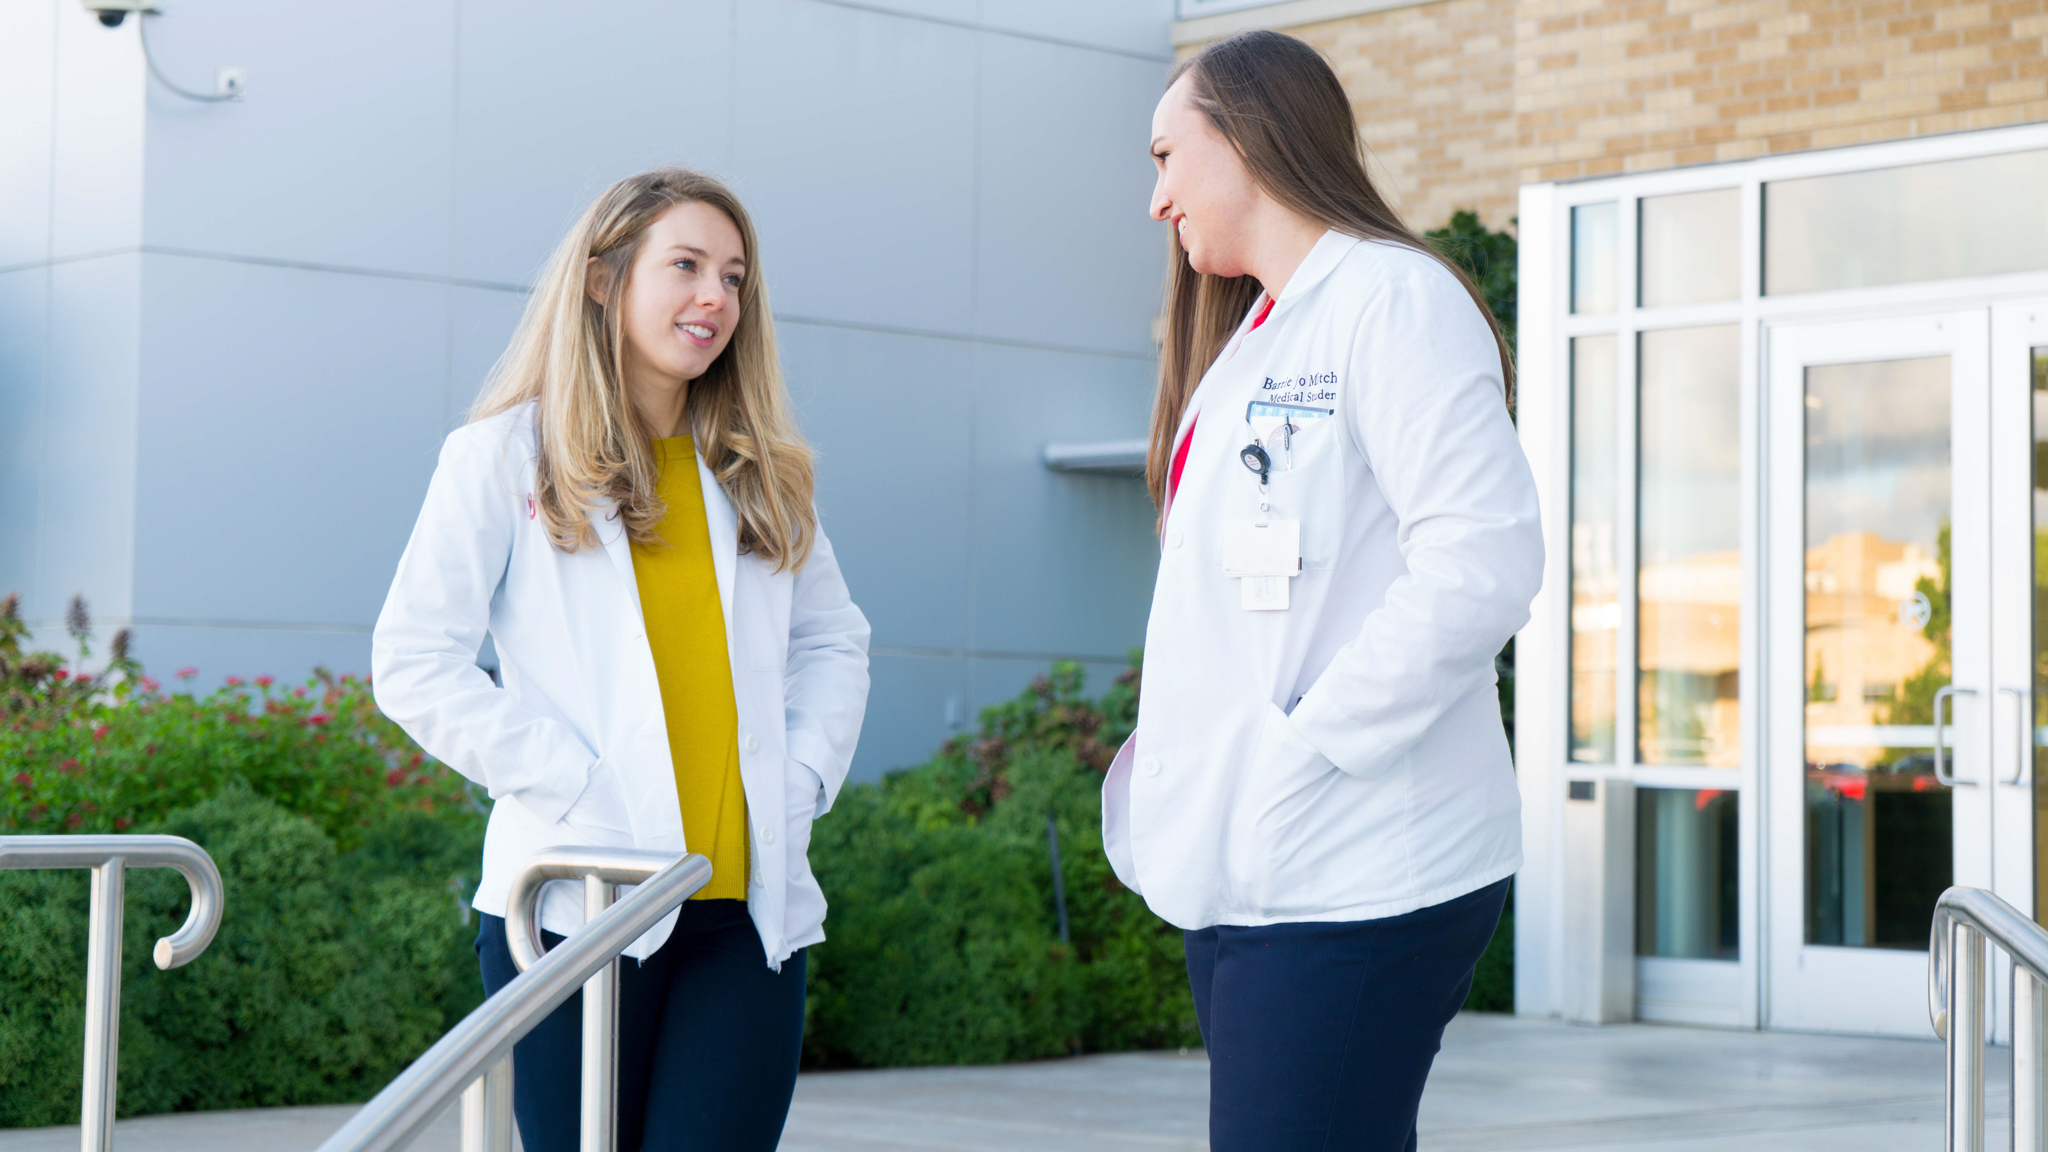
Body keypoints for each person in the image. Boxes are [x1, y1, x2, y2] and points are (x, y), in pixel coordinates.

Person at [1103, 31, 1542, 1152]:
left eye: (1165, 155)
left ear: (1244, 135)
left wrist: (1309, 745)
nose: (1155, 198)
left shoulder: (1390, 300)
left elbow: (1481, 558)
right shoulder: (1252, 340)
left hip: (1352, 862)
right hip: (1258, 865)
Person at [371, 167, 870, 1152]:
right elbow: (413, 660)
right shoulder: (502, 458)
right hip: (577, 909)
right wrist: (574, 782)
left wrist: (802, 776)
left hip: (743, 915)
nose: (715, 298)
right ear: (603, 280)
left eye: (733, 277)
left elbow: (833, 639)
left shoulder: (760, 476)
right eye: (684, 266)